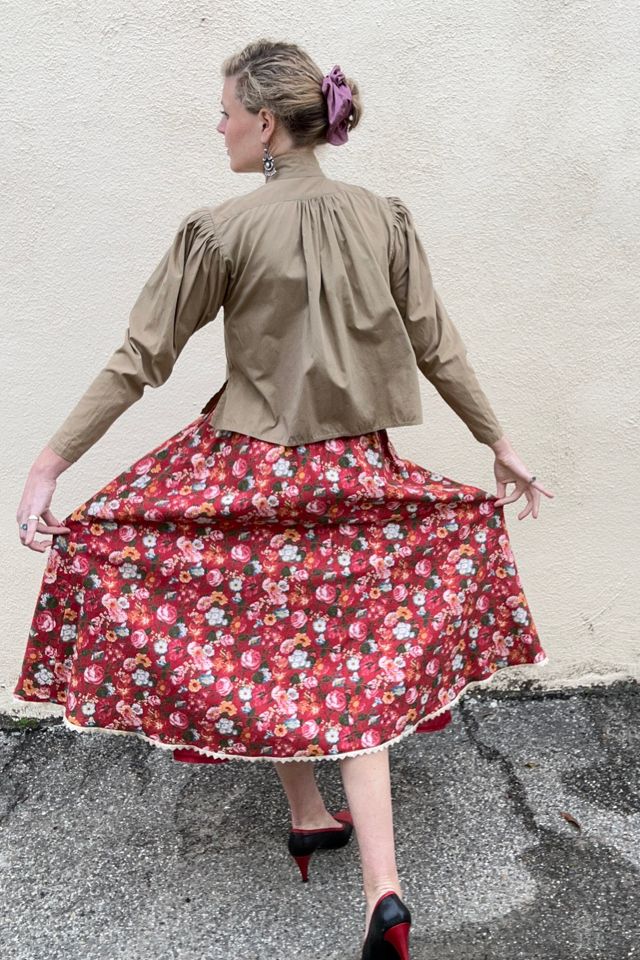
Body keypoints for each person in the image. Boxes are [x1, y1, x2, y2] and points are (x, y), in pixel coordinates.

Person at [14, 38, 554, 960]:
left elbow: (139, 358)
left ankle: (344, 844)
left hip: (248, 471)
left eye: (226, 110)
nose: (218, 125)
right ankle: (351, 856)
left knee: (267, 642)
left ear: (265, 123)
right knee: (341, 658)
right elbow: (437, 344)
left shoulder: (219, 230)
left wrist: (51, 461)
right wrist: (496, 442)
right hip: (356, 475)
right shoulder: (384, 218)